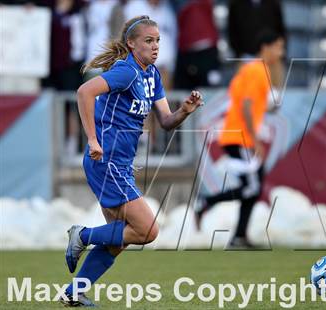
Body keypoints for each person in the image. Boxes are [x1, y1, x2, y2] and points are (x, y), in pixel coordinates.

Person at [61, 15, 203, 306]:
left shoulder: (152, 75)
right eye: (148, 41)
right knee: (148, 230)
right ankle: (83, 235)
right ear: (131, 43)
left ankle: (73, 293)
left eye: (158, 41)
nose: (155, 47)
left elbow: (165, 121)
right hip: (106, 161)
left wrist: (185, 111)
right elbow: (84, 92)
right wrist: (91, 139)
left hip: (120, 164)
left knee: (119, 241)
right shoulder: (126, 71)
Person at [195, 29, 285, 249]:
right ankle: (208, 203)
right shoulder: (257, 71)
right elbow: (246, 105)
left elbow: (253, 104)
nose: (280, 53)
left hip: (234, 135)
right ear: (266, 47)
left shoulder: (251, 70)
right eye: (278, 47)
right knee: (253, 188)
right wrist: (255, 141)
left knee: (252, 186)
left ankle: (238, 236)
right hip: (241, 137)